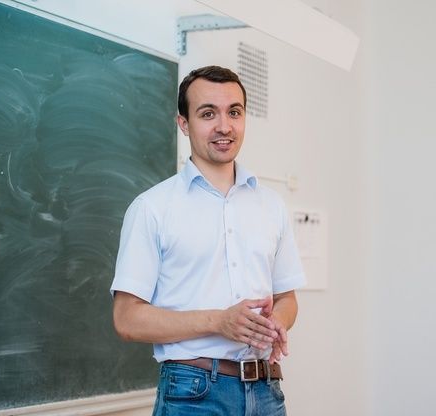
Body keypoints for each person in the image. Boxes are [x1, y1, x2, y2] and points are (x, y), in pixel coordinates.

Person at [110, 65, 305, 415]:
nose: (224, 126)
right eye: (207, 113)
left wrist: (276, 321)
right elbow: (127, 320)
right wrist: (219, 321)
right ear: (183, 124)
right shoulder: (152, 208)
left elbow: (287, 298)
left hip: (267, 392)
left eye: (234, 112)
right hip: (193, 394)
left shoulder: (271, 205)